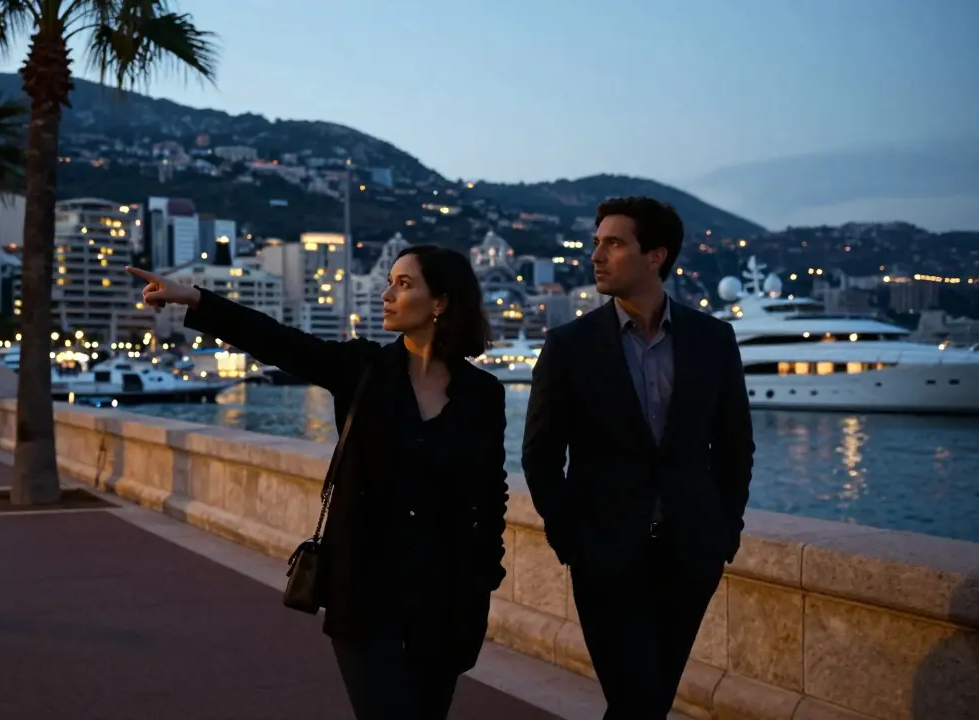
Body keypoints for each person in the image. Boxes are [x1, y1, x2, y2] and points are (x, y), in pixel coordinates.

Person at [127, 245, 509, 720]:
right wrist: (197, 299)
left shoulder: (482, 395)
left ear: (442, 302)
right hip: (364, 596)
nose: (387, 294)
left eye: (404, 284)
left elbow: (490, 497)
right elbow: (279, 341)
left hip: (445, 604)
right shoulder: (363, 369)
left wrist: (482, 580)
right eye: (389, 281)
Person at [522, 196, 754, 719]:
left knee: (646, 703)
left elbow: (735, 445)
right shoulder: (569, 345)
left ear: (656, 256)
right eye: (596, 243)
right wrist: (571, 541)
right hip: (605, 556)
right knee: (636, 699)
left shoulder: (713, 340)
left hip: (689, 554)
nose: (596, 256)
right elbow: (540, 454)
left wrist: (723, 531)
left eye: (614, 243)